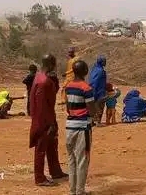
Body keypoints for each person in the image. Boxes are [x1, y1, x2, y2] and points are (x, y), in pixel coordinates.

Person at [29, 54, 67, 187]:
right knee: (41, 148)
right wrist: (49, 123)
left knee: (52, 145)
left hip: (48, 116)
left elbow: (51, 95)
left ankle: (55, 171)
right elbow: (41, 105)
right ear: (51, 64)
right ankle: (39, 178)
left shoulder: (41, 77)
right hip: (43, 119)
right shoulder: (44, 81)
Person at [64, 59, 97, 195]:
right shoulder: (87, 88)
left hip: (69, 127)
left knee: (71, 160)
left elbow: (67, 108)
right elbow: (92, 111)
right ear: (85, 71)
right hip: (82, 127)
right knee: (82, 160)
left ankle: (72, 191)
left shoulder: (68, 86)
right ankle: (80, 191)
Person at [88, 55, 107, 127]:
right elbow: (95, 81)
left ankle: (92, 121)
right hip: (99, 91)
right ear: (101, 62)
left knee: (94, 106)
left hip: (94, 90)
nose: (105, 63)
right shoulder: (100, 71)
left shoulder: (95, 69)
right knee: (100, 106)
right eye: (104, 61)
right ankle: (98, 122)